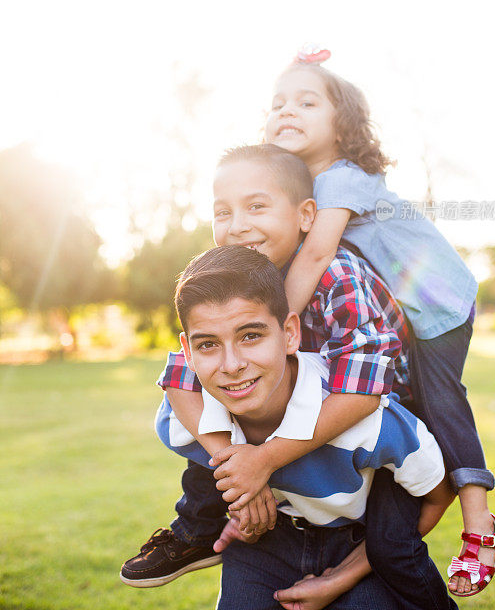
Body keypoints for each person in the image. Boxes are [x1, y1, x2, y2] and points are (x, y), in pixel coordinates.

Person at [121, 144, 458, 610]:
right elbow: (180, 376)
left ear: (306, 216)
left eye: (256, 206)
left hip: (378, 410)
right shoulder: (231, 280)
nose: (237, 225)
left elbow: (363, 390)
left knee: (390, 544)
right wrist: (236, 466)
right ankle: (198, 529)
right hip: (277, 401)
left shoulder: (337, 272)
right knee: (216, 426)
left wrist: (262, 463)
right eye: (223, 211)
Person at [263, 45, 495, 598]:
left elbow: (317, 256)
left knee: (441, 403)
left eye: (306, 101)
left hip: (437, 304)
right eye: (277, 102)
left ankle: (480, 522)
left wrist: (274, 324)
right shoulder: (302, 187)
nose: (287, 111)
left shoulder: (341, 178)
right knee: (408, 427)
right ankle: (372, 552)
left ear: (342, 123)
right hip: (403, 315)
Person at [157, 244, 451, 610]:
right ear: (187, 351)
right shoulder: (186, 415)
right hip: (263, 542)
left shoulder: (364, 420)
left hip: (357, 545)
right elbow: (181, 400)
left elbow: (437, 494)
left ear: (290, 333)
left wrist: (344, 574)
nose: (231, 365)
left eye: (251, 336)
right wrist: (242, 480)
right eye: (208, 344)